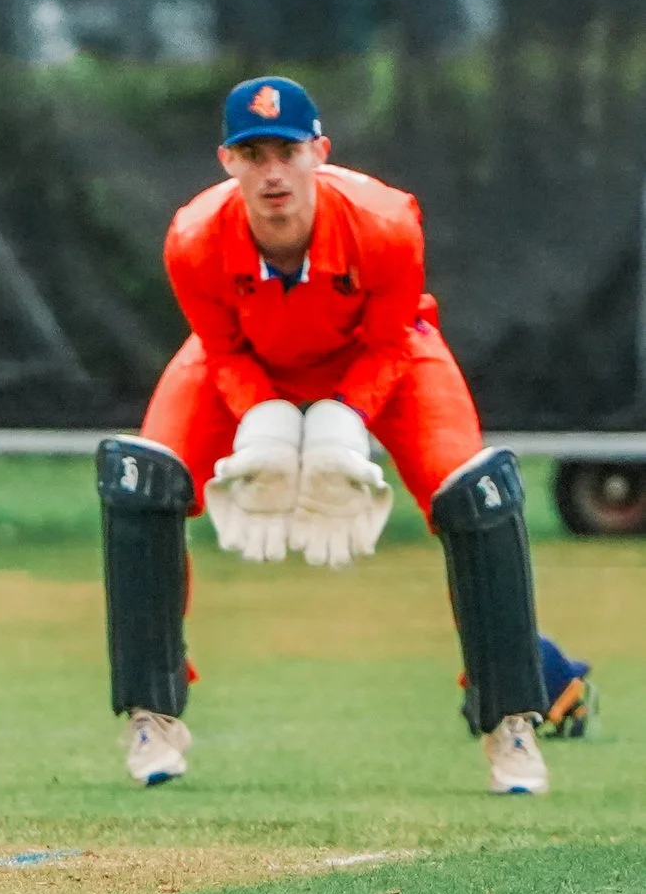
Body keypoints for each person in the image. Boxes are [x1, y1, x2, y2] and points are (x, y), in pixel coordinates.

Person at [97, 76, 557, 796]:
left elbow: (391, 339)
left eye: (287, 150)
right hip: (248, 361)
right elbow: (220, 350)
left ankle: (512, 722)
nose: (273, 173)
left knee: (478, 494)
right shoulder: (193, 238)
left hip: (382, 357)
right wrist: (267, 426)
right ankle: (152, 714)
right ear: (228, 161)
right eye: (254, 154)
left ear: (320, 151)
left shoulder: (385, 222)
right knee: (141, 481)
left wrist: (342, 424)